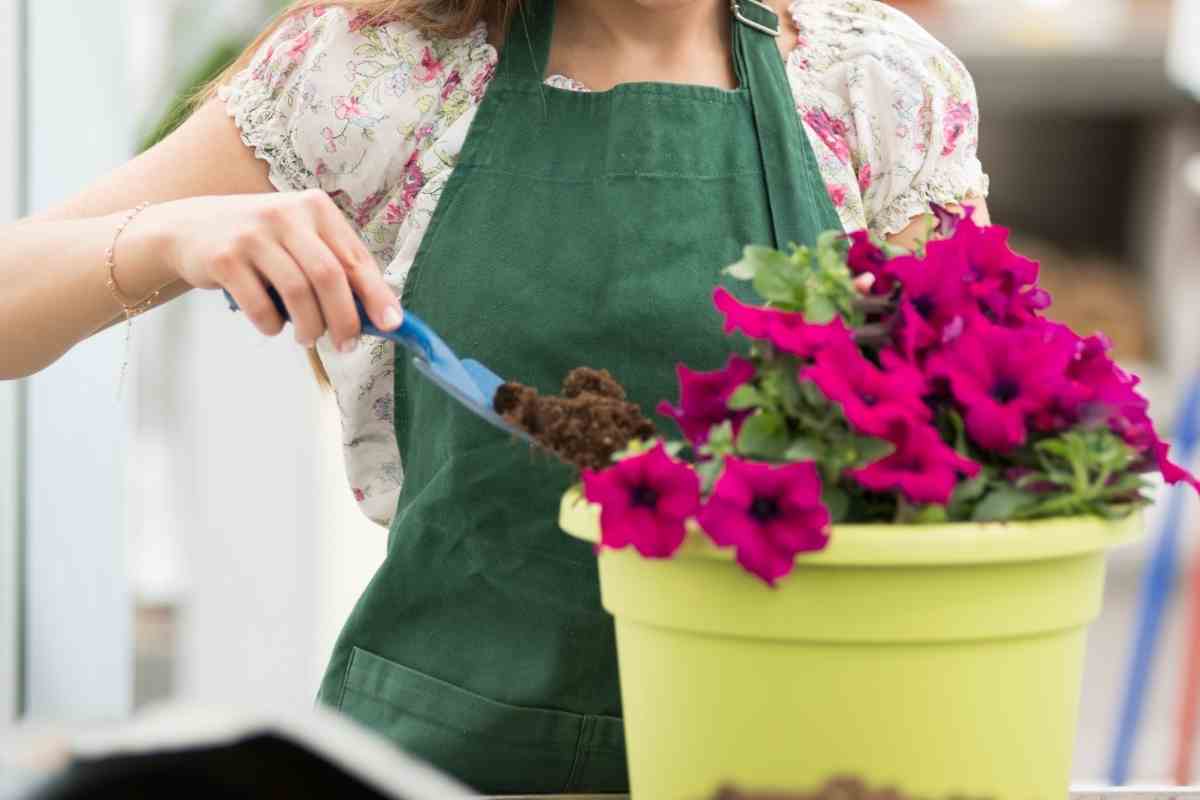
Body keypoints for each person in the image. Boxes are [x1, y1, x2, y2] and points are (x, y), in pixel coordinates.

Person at [0, 0, 990, 793]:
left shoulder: (875, 87)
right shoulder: (378, 72)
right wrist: (178, 234)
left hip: (801, 763)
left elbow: (975, 455)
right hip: (449, 761)